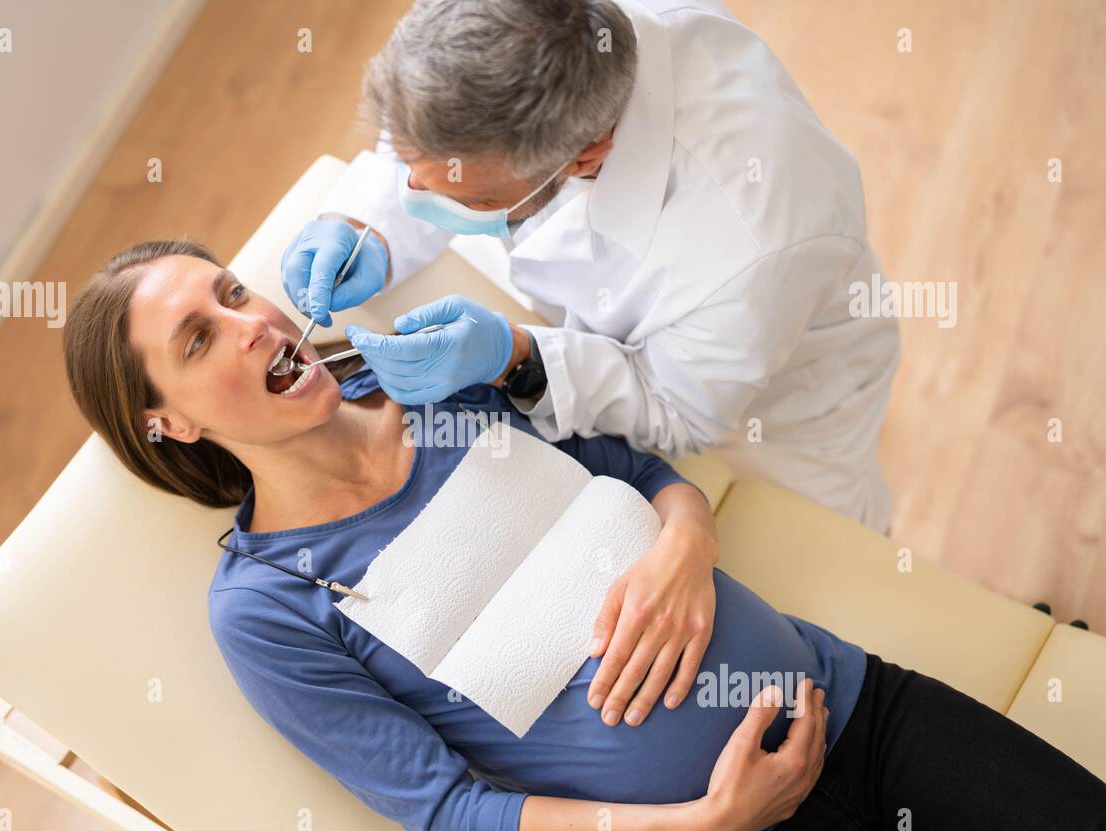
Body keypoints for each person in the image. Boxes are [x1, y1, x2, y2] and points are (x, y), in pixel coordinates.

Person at [61, 240, 1106, 831]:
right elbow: (452, 811)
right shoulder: (267, 604)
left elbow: (635, 462)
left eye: (232, 293)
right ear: (170, 425)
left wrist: (687, 539)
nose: (245, 324)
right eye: (196, 340)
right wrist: (700, 826)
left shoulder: (434, 382)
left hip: (852, 707)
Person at [282, 0, 902, 534]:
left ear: (585, 155)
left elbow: (671, 408)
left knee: (827, 550)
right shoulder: (500, 29)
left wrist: (516, 358)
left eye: (475, 202)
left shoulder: (754, 243)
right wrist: (367, 221)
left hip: (774, 403)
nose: (412, 190)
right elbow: (440, 128)